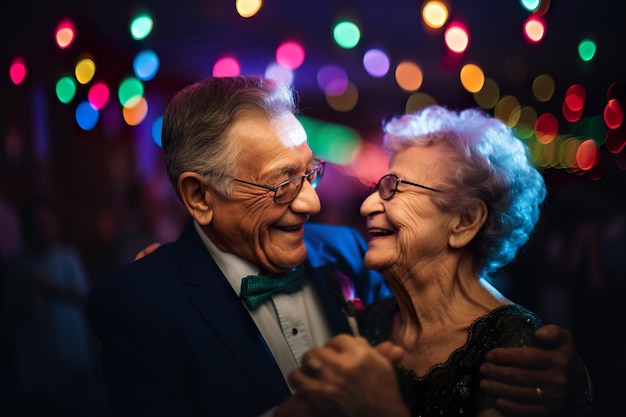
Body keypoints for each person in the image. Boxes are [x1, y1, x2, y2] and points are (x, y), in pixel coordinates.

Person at [87, 76, 589, 417]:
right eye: (281, 182)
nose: (311, 203)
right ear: (199, 196)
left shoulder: (347, 252)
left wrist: (571, 387)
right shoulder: (140, 303)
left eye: (310, 173)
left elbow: (457, 299)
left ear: (465, 221)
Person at [279, 105, 592, 417]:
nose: (367, 205)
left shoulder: (516, 350)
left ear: (464, 221)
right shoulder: (374, 318)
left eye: (394, 188)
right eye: (378, 187)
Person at [1, 196, 100, 415]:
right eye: (38, 223)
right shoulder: (17, 265)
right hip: (35, 371)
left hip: (73, 363)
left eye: (48, 221)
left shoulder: (67, 257)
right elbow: (6, 319)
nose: (44, 228)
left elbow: (86, 295)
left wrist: (49, 288)